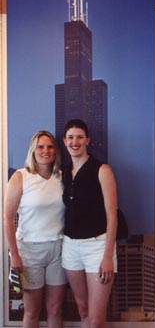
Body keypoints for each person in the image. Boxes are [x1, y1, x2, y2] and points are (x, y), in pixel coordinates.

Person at [4, 130, 67, 328]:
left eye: (50, 147)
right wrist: (14, 255)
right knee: (32, 311)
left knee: (55, 309)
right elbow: (7, 217)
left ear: (55, 151)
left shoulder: (62, 177)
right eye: (40, 147)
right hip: (29, 251)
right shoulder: (21, 177)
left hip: (58, 249)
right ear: (33, 150)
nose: (45, 151)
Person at [62, 119, 117, 328]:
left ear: (87, 140)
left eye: (79, 137)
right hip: (70, 247)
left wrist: (107, 257)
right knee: (82, 311)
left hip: (97, 246)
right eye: (70, 137)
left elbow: (112, 216)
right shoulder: (65, 173)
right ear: (64, 141)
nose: (75, 141)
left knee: (95, 320)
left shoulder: (102, 169)